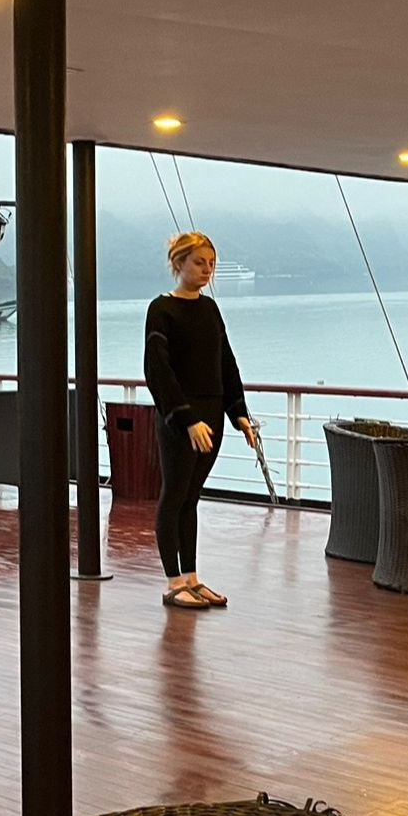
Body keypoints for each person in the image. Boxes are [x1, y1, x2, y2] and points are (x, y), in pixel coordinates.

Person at [143, 231, 259, 610]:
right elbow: (158, 369)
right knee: (174, 494)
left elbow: (225, 361)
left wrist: (239, 413)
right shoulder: (161, 309)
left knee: (191, 498)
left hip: (212, 414)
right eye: (199, 262)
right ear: (178, 264)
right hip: (182, 419)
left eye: (211, 263)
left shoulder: (210, 309)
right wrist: (186, 418)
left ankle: (191, 577)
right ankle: (173, 581)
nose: (206, 269)